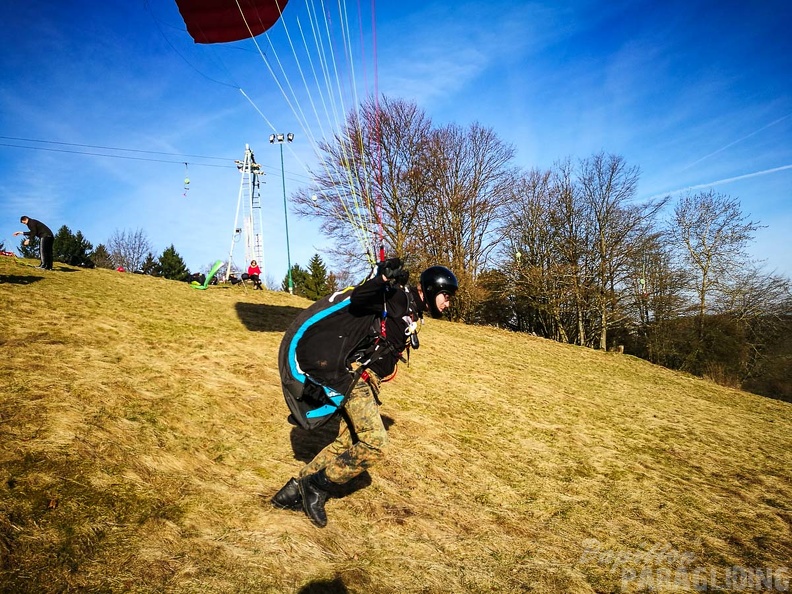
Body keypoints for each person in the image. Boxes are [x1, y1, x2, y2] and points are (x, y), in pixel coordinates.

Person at [271, 259, 458, 527]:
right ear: (431, 289)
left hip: (367, 381)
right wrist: (382, 279)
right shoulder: (398, 297)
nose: (447, 303)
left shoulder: (412, 310)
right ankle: (317, 486)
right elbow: (361, 298)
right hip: (355, 378)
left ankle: (291, 491)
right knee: (375, 443)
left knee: (345, 443)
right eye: (446, 297)